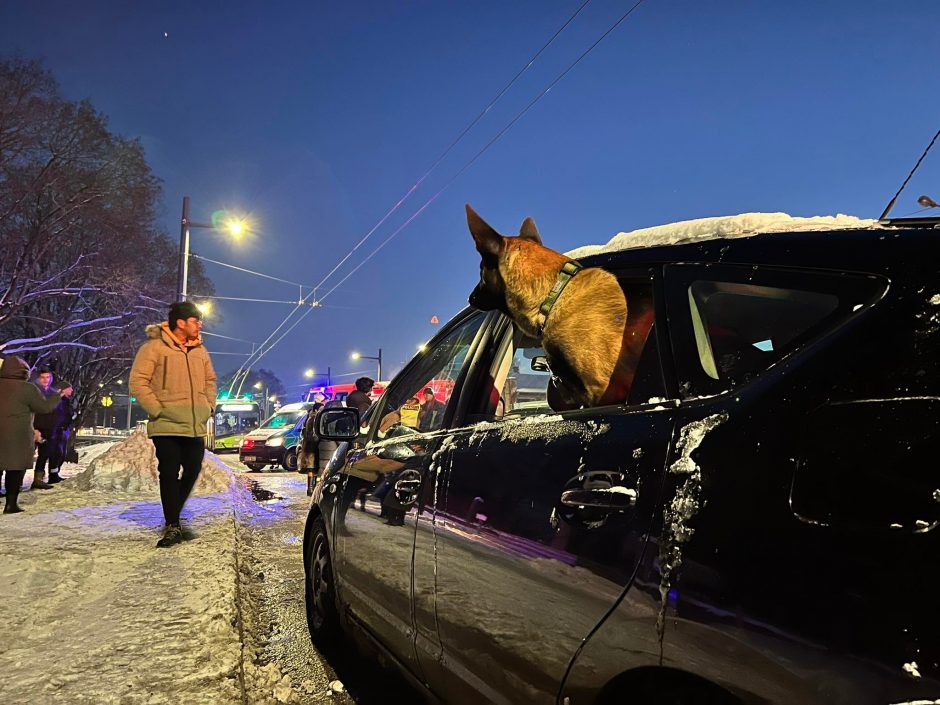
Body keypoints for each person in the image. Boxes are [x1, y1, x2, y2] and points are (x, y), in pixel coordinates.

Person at [129, 301, 217, 548]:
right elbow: (138, 382)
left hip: (194, 424)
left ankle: (173, 515)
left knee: (192, 469)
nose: (200, 324)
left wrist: (208, 406)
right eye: (195, 320)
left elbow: (210, 380)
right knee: (168, 473)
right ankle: (172, 525)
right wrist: (158, 409)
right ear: (180, 323)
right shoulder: (154, 348)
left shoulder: (200, 351)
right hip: (166, 424)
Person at [0, 357, 73, 514]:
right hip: (18, 435)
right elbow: (44, 407)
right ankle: (11, 504)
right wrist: (57, 396)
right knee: (14, 468)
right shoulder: (27, 388)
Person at [33, 367, 73, 486]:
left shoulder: (52, 393)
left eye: (48, 377)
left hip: (50, 430)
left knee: (45, 454)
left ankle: (38, 480)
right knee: (25, 456)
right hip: (35, 428)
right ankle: (16, 483)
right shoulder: (34, 392)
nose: (46, 380)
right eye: (43, 377)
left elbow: (58, 412)